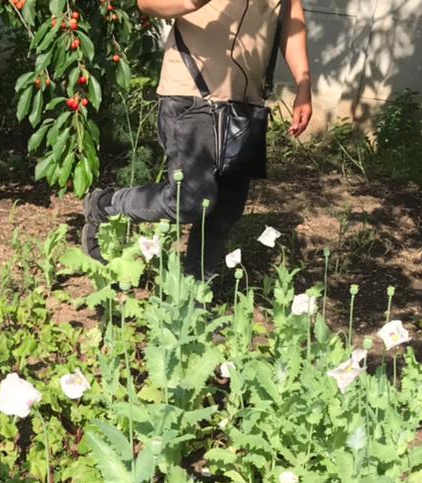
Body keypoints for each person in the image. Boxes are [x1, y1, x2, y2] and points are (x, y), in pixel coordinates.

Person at [82, 0, 313, 277]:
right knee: (190, 201)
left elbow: (290, 18)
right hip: (191, 94)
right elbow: (148, 4)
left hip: (245, 103)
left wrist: (304, 82)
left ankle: (193, 294)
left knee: (226, 210)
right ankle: (106, 204)